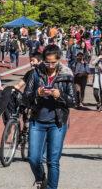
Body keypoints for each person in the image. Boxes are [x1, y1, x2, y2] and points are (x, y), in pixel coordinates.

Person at [24, 44, 75, 189]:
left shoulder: (66, 74)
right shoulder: (36, 73)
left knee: (53, 161)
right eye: (47, 62)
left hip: (57, 123)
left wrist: (60, 95)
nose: (50, 65)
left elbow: (73, 101)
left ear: (59, 60)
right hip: (37, 121)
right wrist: (37, 94)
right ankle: (41, 178)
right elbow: (26, 98)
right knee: (33, 158)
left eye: (54, 62)